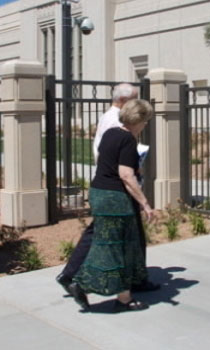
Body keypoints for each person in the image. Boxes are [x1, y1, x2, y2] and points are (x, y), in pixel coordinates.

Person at [57, 84, 159, 299]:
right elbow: (125, 174)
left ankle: (129, 286)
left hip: (101, 190)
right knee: (112, 244)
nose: (145, 125)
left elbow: (108, 157)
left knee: (118, 240)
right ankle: (79, 282)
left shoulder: (111, 131)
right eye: (145, 121)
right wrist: (145, 203)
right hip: (115, 195)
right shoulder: (125, 135)